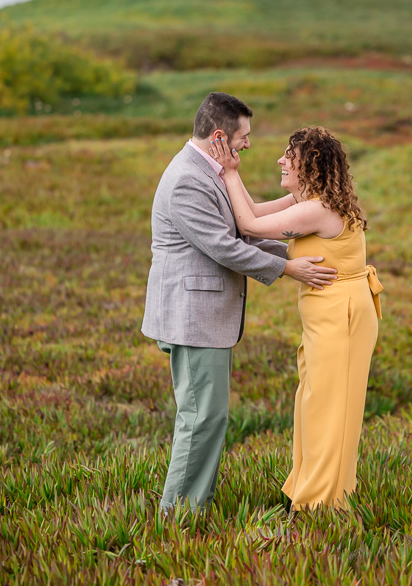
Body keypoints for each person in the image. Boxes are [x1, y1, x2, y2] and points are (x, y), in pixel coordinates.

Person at [140, 93, 337, 512]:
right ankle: (178, 518)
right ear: (220, 136)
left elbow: (245, 226)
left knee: (208, 418)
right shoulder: (187, 180)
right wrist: (290, 268)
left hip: (202, 317)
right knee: (202, 419)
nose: (248, 144)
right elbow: (225, 246)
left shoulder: (206, 170)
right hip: (191, 318)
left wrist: (306, 201)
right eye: (244, 136)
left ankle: (191, 508)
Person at [210, 125, 383, 511]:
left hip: (343, 318)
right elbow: (253, 212)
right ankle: (304, 491)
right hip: (329, 318)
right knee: (313, 403)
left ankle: (322, 503)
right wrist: (230, 176)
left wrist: (231, 173)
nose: (281, 160)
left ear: (311, 164)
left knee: (330, 409)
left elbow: (248, 227)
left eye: (290, 154)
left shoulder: (316, 210)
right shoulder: (308, 202)